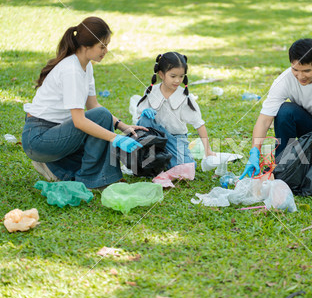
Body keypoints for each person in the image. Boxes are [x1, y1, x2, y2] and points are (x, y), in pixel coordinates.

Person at [22, 16, 147, 189]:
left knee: (100, 120)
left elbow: (93, 106)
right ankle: (88, 180)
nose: (106, 51)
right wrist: (115, 138)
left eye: (107, 46)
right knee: (100, 124)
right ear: (86, 46)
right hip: (39, 138)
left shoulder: (85, 66)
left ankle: (57, 167)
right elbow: (79, 121)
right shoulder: (71, 70)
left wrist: (123, 127)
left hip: (56, 131)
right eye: (102, 46)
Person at [240, 38, 312, 179]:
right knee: (284, 111)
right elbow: (264, 120)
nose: (300, 76)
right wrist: (254, 151)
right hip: (305, 122)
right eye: (295, 70)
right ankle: (282, 165)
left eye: (306, 71)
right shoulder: (284, 81)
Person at [136, 52, 215, 169]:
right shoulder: (151, 92)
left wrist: (208, 150)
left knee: (186, 167)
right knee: (145, 119)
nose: (178, 81)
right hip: (154, 138)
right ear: (161, 74)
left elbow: (199, 124)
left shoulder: (184, 98)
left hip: (175, 140)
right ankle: (147, 157)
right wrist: (144, 113)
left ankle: (161, 161)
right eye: (173, 76)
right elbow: (139, 120)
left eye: (181, 76)